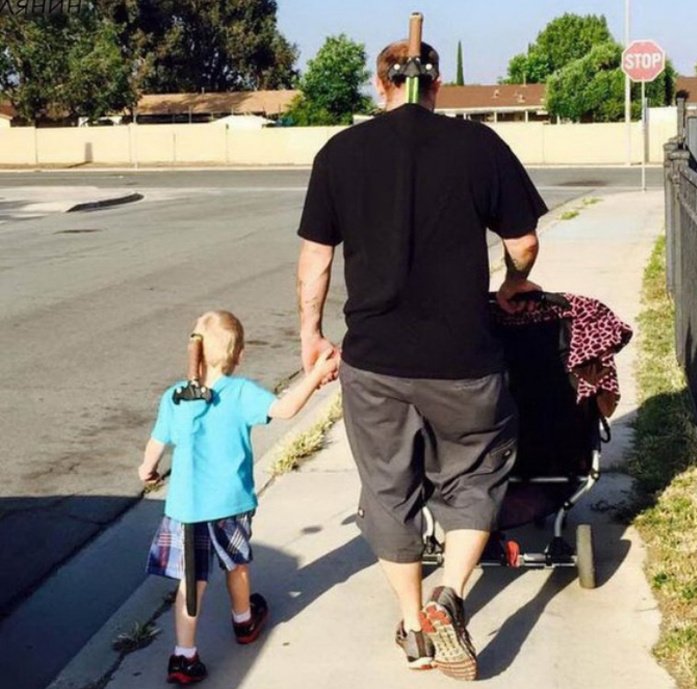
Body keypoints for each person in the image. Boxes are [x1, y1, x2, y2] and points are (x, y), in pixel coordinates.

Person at [296, 38, 547, 681]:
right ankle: (451, 595)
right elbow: (522, 240)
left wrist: (311, 335)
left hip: (374, 361)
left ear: (382, 84)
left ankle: (413, 627)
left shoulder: (340, 153)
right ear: (434, 84)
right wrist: (515, 282)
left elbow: (316, 261)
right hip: (464, 359)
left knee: (388, 490)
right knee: (478, 471)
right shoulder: (478, 145)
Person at [138, 310, 336, 685]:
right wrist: (314, 377)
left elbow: (157, 443)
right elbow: (285, 409)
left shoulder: (174, 397)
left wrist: (146, 470)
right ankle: (244, 620)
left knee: (190, 584)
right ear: (240, 354)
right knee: (237, 565)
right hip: (230, 505)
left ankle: (184, 656)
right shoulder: (242, 392)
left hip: (187, 509)